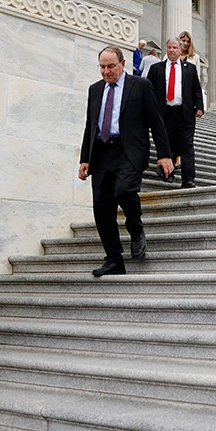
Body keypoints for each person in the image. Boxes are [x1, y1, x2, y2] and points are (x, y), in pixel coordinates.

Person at [79, 46, 174, 276]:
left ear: (122, 64)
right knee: (102, 207)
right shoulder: (95, 90)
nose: (106, 71)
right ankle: (114, 260)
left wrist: (164, 155)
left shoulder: (140, 86)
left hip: (128, 150)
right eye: (102, 66)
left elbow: (155, 121)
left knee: (123, 191)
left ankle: (135, 227)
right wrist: (85, 158)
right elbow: (90, 126)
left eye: (111, 66)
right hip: (101, 152)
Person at [145, 37, 205, 189]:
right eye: (169, 47)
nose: (171, 50)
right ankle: (168, 173)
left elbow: (196, 89)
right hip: (164, 113)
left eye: (174, 48)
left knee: (187, 146)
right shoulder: (156, 68)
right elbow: (149, 92)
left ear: (180, 50)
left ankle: (188, 180)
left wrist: (199, 107)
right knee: (166, 144)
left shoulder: (190, 68)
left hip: (184, 113)